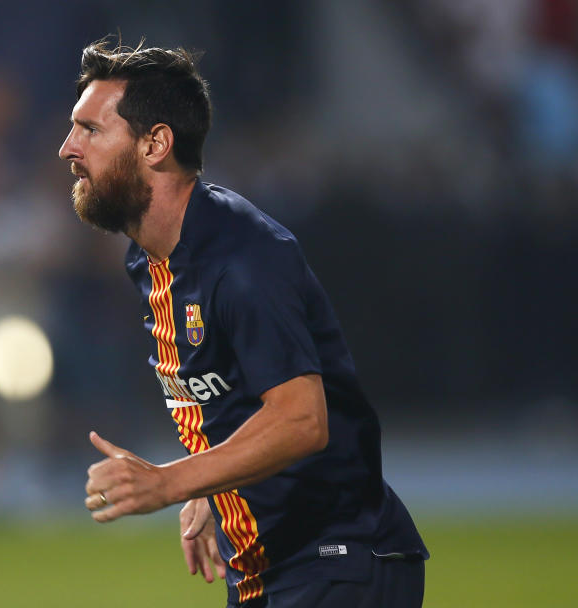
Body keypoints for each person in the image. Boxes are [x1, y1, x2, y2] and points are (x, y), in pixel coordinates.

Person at [58, 40, 429, 608]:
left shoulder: (243, 259)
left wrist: (171, 481)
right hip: (268, 571)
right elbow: (237, 398)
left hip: (337, 562)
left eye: (89, 130)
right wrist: (214, 489)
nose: (67, 148)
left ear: (156, 143)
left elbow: (303, 420)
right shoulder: (149, 259)